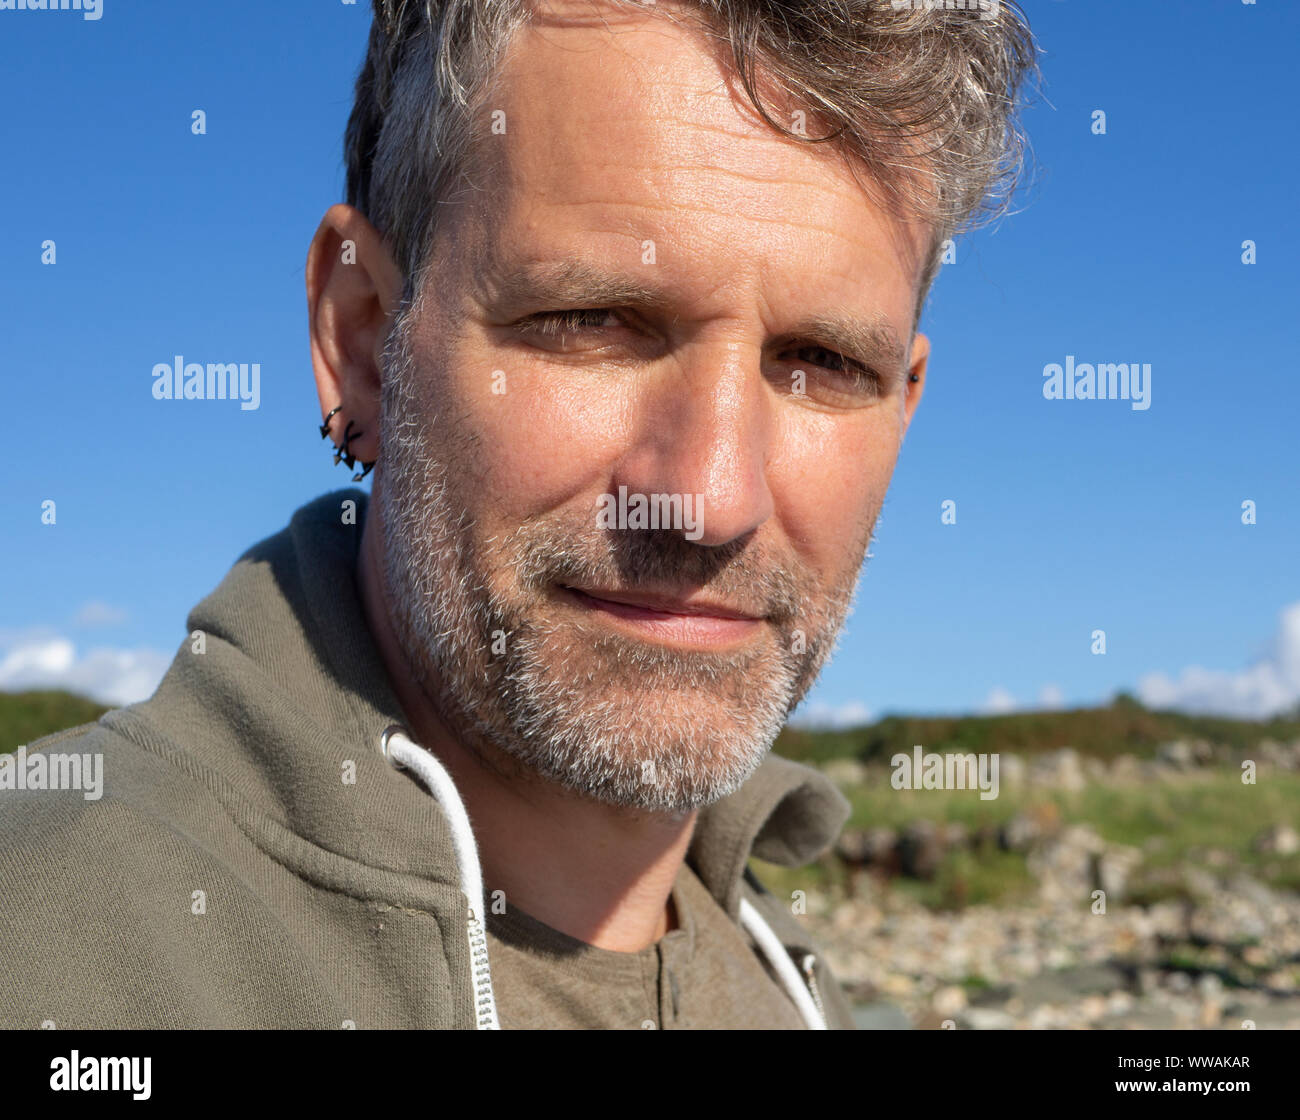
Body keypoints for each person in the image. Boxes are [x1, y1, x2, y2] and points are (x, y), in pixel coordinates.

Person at [0, 0, 1036, 1028]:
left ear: (902, 410)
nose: (713, 499)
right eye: (591, 321)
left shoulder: (795, 981)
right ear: (364, 344)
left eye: (821, 362)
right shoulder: (46, 951)